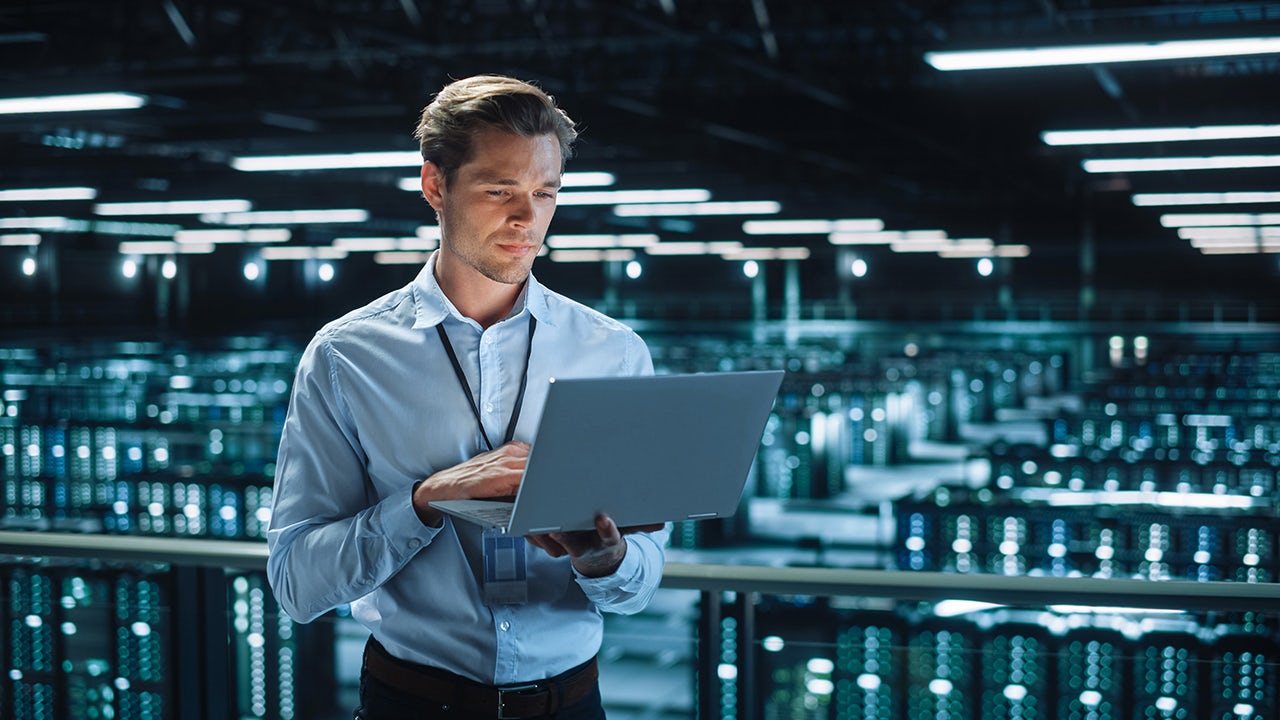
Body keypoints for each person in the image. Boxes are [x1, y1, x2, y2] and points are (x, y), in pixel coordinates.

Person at [266, 74, 669, 719]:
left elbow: (640, 584)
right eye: (499, 190)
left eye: (545, 193)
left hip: (571, 705)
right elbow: (295, 583)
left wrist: (610, 561)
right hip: (414, 704)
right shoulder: (345, 359)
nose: (527, 218)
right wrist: (424, 503)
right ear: (435, 186)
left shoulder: (613, 353)